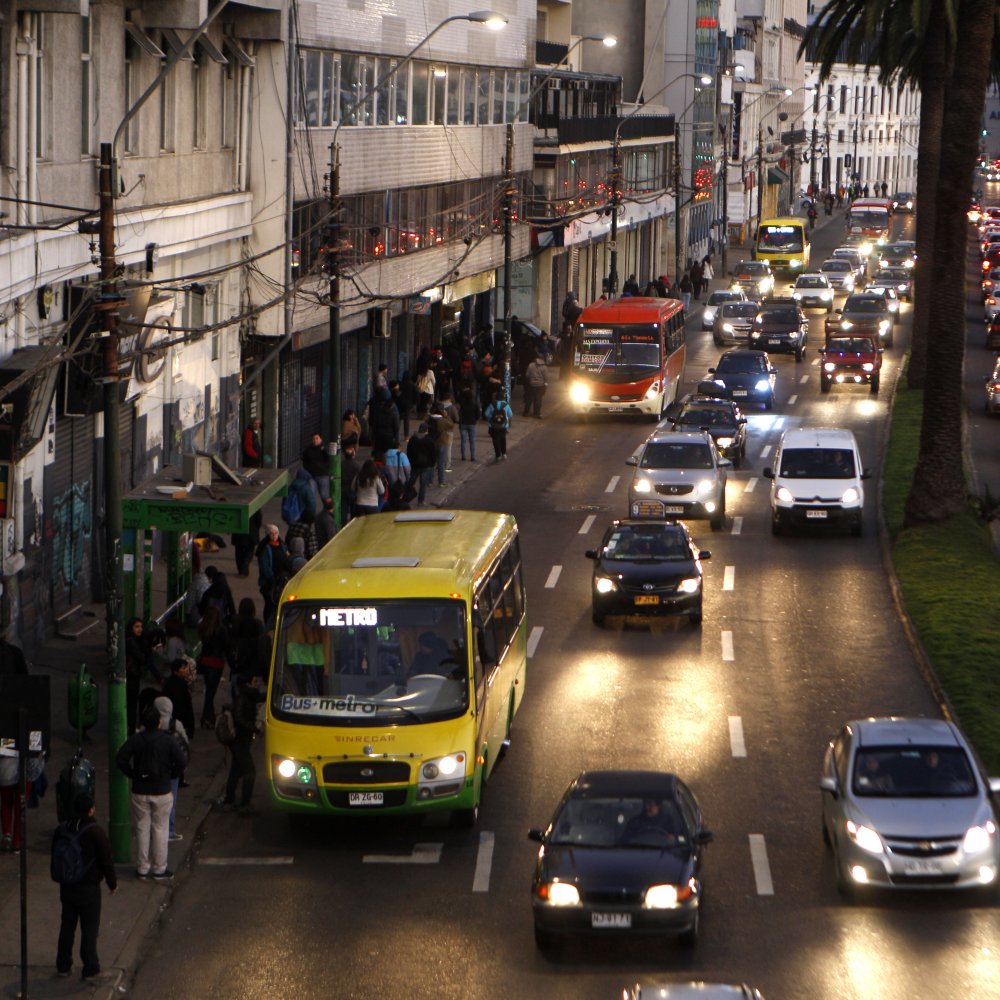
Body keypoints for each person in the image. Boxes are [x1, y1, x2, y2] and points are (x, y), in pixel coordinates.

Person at [115, 704, 186, 880]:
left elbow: (121, 758)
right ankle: (160, 868)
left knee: (142, 828)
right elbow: (181, 760)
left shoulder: (136, 739)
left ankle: (142, 868)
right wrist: (170, 775)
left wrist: (133, 774)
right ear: (159, 722)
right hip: (162, 790)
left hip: (140, 790)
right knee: (160, 829)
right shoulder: (167, 740)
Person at [53, 794, 117, 981]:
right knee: (89, 928)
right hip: (88, 887)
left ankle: (63, 964)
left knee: (67, 925)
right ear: (91, 810)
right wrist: (112, 883)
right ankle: (90, 968)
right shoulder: (95, 832)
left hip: (67, 885)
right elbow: (106, 860)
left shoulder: (62, 829)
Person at [217, 673, 265, 816]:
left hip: (242, 741)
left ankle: (229, 800)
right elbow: (239, 719)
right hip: (239, 741)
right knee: (250, 772)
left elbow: (261, 697)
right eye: (255, 681)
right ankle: (245, 804)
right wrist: (255, 729)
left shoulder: (249, 696)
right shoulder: (243, 698)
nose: (257, 684)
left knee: (236, 771)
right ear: (248, 684)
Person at [154, 696, 190, 843]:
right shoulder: (176, 724)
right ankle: (170, 830)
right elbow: (185, 742)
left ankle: (156, 828)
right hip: (172, 767)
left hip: (156, 767)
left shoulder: (152, 723)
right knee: (171, 799)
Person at [197, 605, 232, 729]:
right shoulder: (221, 630)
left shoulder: (203, 628)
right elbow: (227, 645)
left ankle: (209, 716)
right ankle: (207, 717)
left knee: (209, 690)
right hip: (216, 663)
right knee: (211, 692)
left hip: (205, 661)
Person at [257, 523, 291, 625]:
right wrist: (272, 578)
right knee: (269, 603)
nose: (274, 535)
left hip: (280, 580)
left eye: (276, 533)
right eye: (271, 533)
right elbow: (264, 566)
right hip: (269, 582)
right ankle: (268, 622)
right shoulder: (264, 547)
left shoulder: (282, 545)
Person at [161, 657, 196, 754]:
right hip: (178, 719)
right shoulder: (180, 684)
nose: (186, 670)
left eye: (186, 667)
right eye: (183, 668)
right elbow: (185, 704)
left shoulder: (170, 682)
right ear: (176, 671)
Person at [125, 617, 149, 733]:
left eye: (141, 626)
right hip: (132, 675)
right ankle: (131, 726)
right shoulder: (131, 641)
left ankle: (130, 725)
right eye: (137, 626)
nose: (140, 629)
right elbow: (141, 658)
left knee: (132, 701)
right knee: (132, 702)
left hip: (133, 674)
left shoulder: (133, 640)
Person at [406, 422, 437, 505]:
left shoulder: (413, 439)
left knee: (410, 482)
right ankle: (421, 501)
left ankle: (405, 497)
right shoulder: (429, 440)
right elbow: (433, 454)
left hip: (414, 465)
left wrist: (410, 462)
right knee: (423, 485)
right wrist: (432, 463)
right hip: (425, 466)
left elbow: (408, 452)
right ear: (426, 430)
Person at [232, 508, 262, 578]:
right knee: (249, 552)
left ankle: (240, 569)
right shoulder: (254, 506)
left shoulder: (237, 505)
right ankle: (244, 567)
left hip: (238, 532)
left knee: (238, 552)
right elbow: (259, 520)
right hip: (251, 533)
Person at [484, 391, 512, 463]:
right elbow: (510, 414)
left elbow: (486, 414)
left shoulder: (492, 404)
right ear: (503, 397)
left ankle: (498, 455)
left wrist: (491, 418)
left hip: (493, 426)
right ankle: (504, 454)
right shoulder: (506, 405)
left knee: (495, 441)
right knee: (503, 439)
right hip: (503, 426)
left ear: (496, 397)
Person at [301, 432, 330, 502]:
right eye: (313, 439)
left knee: (324, 495)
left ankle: (327, 508)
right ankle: (312, 508)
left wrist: (324, 450)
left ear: (321, 439)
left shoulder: (324, 448)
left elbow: (328, 459)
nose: (315, 440)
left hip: (322, 475)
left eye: (317, 438)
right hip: (312, 476)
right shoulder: (308, 449)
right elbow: (304, 460)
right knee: (311, 495)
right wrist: (307, 470)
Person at [457, 384, 480, 461]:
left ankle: (463, 456)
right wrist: (475, 419)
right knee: (472, 441)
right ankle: (472, 456)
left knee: (463, 441)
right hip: (472, 423)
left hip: (463, 423)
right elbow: (478, 415)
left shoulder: (462, 405)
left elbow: (460, 413)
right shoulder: (475, 405)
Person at [340, 444, 362, 521]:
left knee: (344, 510)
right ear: (353, 454)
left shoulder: (341, 465)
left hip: (343, 489)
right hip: (353, 491)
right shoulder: (357, 466)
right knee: (353, 511)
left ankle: (343, 524)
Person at [523, 351, 548, 419]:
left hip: (531, 385)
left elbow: (527, 375)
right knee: (538, 399)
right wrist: (545, 384)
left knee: (529, 399)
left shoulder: (531, 365)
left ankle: (526, 412)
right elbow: (546, 378)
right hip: (540, 385)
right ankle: (536, 413)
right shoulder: (544, 367)